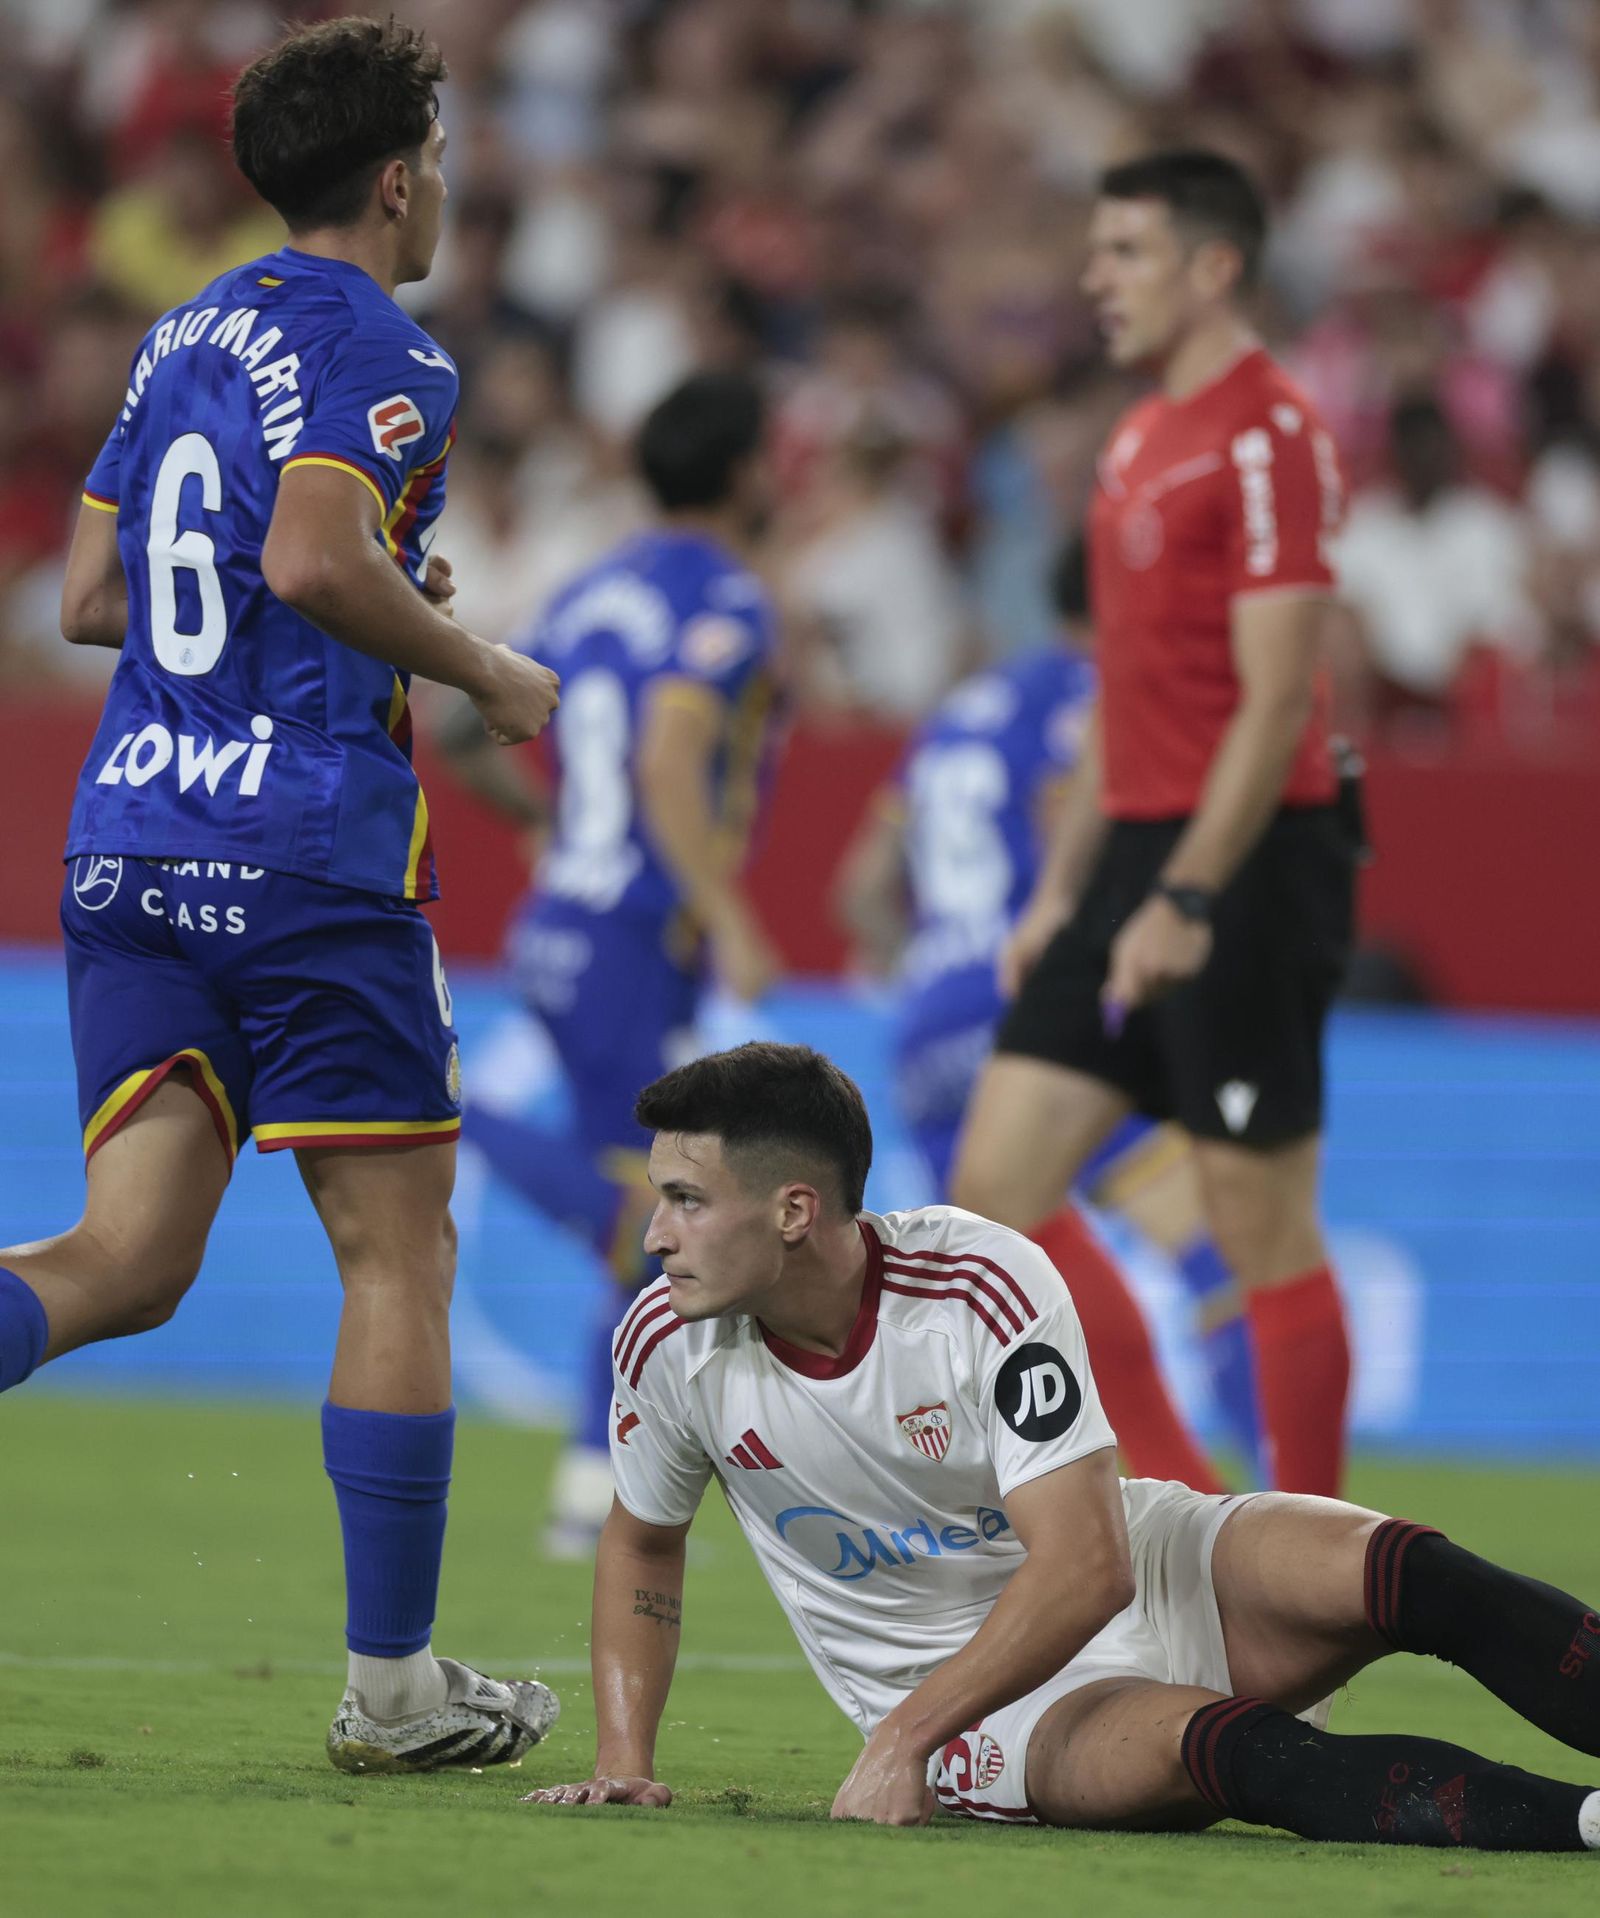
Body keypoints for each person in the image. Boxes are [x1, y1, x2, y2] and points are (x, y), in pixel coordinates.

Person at [0, 18, 563, 1773]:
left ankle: (401, 1682)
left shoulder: (184, 330)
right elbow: (312, 554)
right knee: (399, 1251)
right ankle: (395, 1691)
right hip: (305, 852)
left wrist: (356, 574)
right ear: (400, 176)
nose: (448, 186)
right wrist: (473, 658)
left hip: (131, 845)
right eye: (444, 158)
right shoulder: (384, 344)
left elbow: (94, 594)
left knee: (125, 1257)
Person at [527, 1042, 1600, 1849]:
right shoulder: (668, 1339)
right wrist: (625, 1760)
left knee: (1410, 1570)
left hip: (1136, 1568)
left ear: (795, 1209)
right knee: (1236, 1754)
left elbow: (1089, 1565)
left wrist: (895, 1742)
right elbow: (642, 1541)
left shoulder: (976, 1282)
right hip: (987, 1706)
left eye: (683, 1199)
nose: (654, 1232)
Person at [950, 150, 1356, 1496]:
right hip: (1131, 846)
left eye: (1125, 251)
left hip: (1248, 856)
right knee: (993, 1191)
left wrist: (1185, 896)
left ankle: (1313, 1541)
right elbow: (1121, 697)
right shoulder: (1137, 437)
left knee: (1259, 1226)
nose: (1095, 277)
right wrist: (1067, 892)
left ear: (1213, 265)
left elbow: (1278, 690)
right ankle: (1177, 1500)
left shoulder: (1268, 433)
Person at [435, 369, 782, 1551]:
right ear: (745, 471)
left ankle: (595, 1481)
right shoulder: (728, 594)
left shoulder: (589, 591)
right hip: (634, 934)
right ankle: (434, 1108)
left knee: (658, 1211)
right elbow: (668, 762)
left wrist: (540, 829)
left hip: (562, 925)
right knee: (656, 1207)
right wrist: (726, 908)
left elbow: (453, 722)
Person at [836, 541, 1258, 1486]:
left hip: (928, 1034)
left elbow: (860, 888)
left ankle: (1172, 1513)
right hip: (1032, 1006)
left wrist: (933, 962)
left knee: (1037, 1295)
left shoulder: (959, 712)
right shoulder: (1096, 694)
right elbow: (1069, 806)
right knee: (1217, 1250)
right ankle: (1287, 1515)